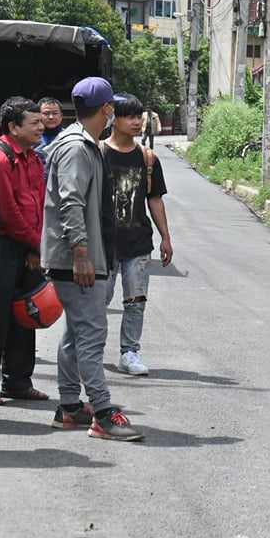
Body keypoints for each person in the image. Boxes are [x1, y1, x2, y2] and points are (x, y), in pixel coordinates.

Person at [42, 77, 143, 441]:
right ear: (106, 110)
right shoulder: (76, 148)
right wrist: (81, 253)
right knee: (92, 336)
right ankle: (102, 412)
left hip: (86, 256)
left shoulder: (87, 145)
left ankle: (69, 408)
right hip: (78, 260)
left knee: (75, 334)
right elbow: (71, 202)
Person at [0, 97, 49, 407]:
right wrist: (36, 244)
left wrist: (36, 245)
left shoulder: (34, 158)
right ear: (14, 127)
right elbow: (7, 213)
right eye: (35, 123)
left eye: (41, 122)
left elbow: (38, 204)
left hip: (28, 246)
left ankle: (18, 381)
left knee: (23, 315)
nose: (41, 127)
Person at [101, 93, 172, 377]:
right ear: (113, 119)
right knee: (97, 303)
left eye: (138, 116)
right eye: (129, 116)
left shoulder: (147, 158)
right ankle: (90, 352)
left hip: (138, 242)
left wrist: (165, 236)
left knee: (135, 301)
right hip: (104, 244)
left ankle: (129, 352)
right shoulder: (97, 151)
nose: (137, 122)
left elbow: (154, 199)